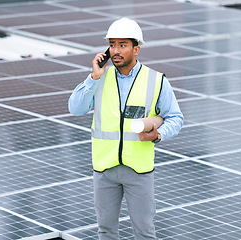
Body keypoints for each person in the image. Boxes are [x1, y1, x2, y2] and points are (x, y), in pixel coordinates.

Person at [68, 17, 183, 240]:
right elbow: (75, 108)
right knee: (106, 231)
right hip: (105, 170)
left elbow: (175, 118)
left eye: (122, 45)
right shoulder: (100, 78)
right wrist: (93, 76)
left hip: (138, 171)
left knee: (144, 232)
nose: (116, 51)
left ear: (136, 48)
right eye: (112, 45)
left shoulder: (155, 80)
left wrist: (159, 134)